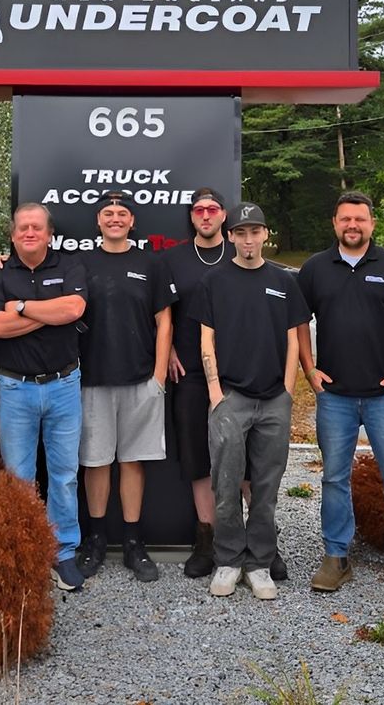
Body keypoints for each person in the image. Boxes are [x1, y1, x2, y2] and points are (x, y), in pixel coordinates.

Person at [297, 191, 384, 607]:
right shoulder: (315, 269)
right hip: (334, 396)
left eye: (360, 219)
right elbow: (299, 322)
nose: (352, 226)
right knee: (334, 478)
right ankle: (336, 557)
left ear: (372, 223)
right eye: (345, 219)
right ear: (334, 223)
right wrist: (309, 369)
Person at [190, 202, 309, 601]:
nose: (247, 240)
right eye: (240, 233)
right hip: (230, 397)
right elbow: (206, 337)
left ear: (265, 235)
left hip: (274, 398)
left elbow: (294, 337)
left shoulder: (284, 281)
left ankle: (259, 563)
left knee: (266, 487)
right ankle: (228, 559)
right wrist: (214, 393)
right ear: (230, 236)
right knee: (225, 484)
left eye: (254, 232)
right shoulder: (214, 280)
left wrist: (289, 390)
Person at [0, 203, 89, 592]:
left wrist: (21, 307)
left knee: (63, 476)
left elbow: (74, 309)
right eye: (22, 227)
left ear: (49, 233)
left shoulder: (69, 266)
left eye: (36, 227)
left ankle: (63, 553)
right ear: (12, 235)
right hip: (15, 389)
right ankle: (23, 553)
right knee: (19, 478)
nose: (29, 232)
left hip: (63, 386)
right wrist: (48, 313)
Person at [76, 192, 176, 582]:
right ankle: (96, 541)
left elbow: (164, 321)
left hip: (140, 379)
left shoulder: (151, 263)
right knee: (96, 462)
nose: (115, 218)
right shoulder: (79, 263)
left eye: (121, 213)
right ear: (98, 221)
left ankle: (134, 543)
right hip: (91, 379)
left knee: (133, 461)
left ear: (132, 221)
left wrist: (159, 376)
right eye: (107, 213)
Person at [160, 186, 231, 578]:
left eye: (212, 209)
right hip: (187, 371)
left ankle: (255, 539)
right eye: (199, 210)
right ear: (192, 217)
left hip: (237, 375)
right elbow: (162, 313)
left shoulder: (240, 254)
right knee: (197, 459)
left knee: (245, 461)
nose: (205, 215)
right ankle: (206, 541)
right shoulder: (173, 258)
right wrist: (168, 349)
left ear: (223, 215)